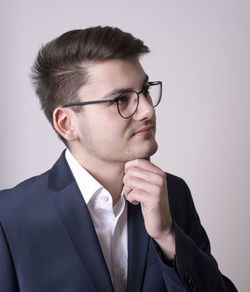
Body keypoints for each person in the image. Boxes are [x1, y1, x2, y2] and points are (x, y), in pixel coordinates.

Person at [0, 26, 237, 292]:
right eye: (121, 99)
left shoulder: (174, 194)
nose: (147, 110)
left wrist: (168, 237)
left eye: (145, 90)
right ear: (66, 124)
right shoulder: (8, 218)